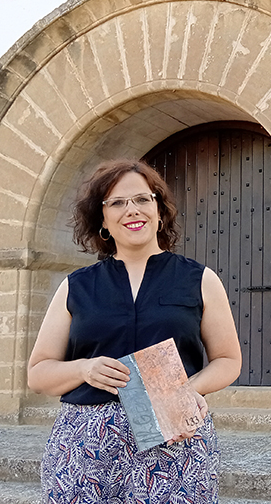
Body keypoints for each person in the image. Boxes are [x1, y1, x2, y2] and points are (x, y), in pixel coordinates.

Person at [28, 159, 242, 504]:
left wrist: (187, 392)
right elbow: (38, 374)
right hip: (85, 445)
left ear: (159, 211)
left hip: (175, 440)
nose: (132, 210)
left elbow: (228, 359)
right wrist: (84, 368)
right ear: (103, 221)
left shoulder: (199, 279)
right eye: (117, 202)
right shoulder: (76, 287)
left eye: (143, 199)